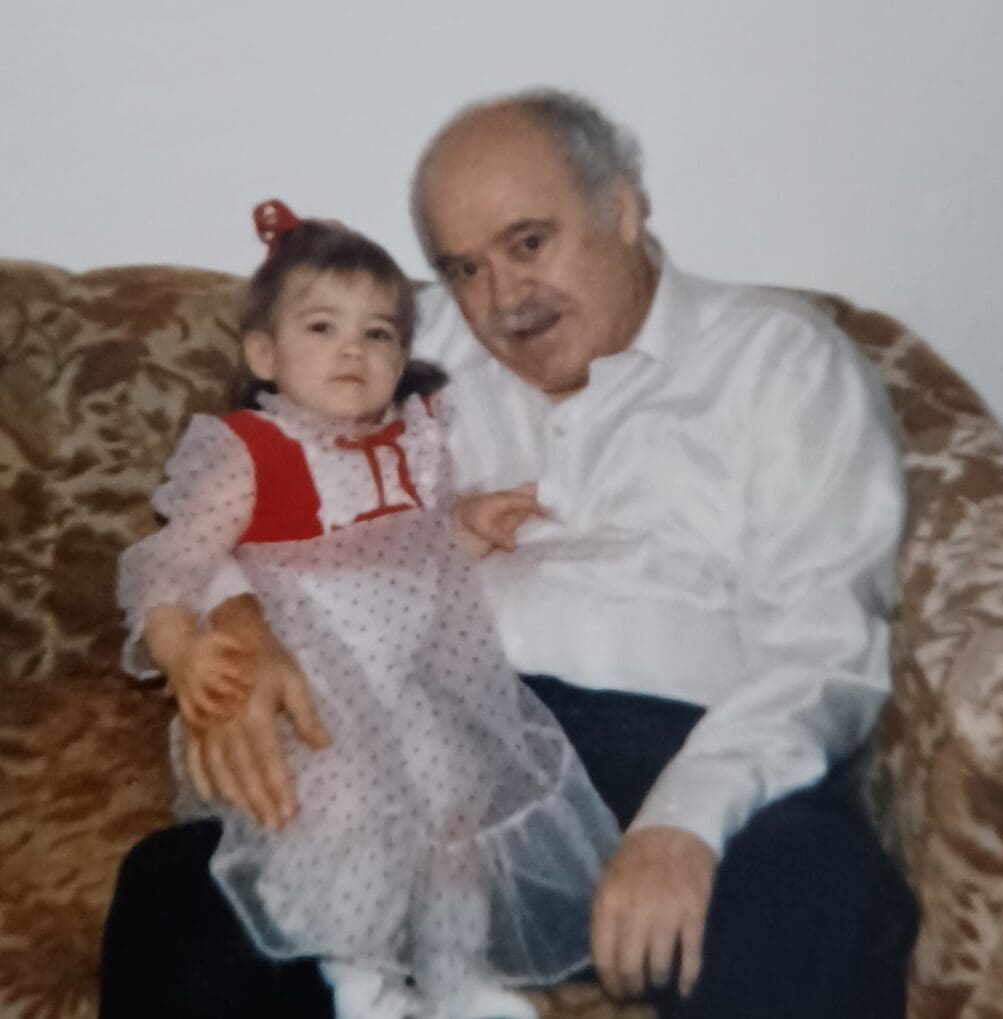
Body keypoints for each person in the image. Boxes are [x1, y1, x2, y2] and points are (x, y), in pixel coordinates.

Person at [101, 90, 918, 1019]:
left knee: (813, 896)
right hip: (424, 750)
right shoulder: (412, 356)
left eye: (529, 243)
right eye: (463, 268)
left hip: (684, 745)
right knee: (177, 897)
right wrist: (241, 634)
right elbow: (231, 504)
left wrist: (685, 821)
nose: (501, 300)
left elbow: (825, 652)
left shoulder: (779, 363)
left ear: (621, 208)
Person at [112, 203, 620, 1019]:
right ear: (264, 353)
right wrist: (181, 650)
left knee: (458, 800)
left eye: (380, 333)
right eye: (322, 327)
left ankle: (455, 975)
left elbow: (416, 548)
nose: (354, 348)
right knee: (344, 818)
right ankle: (359, 977)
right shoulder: (252, 449)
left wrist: (470, 524)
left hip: (405, 690)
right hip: (309, 703)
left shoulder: (411, 441)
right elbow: (169, 563)